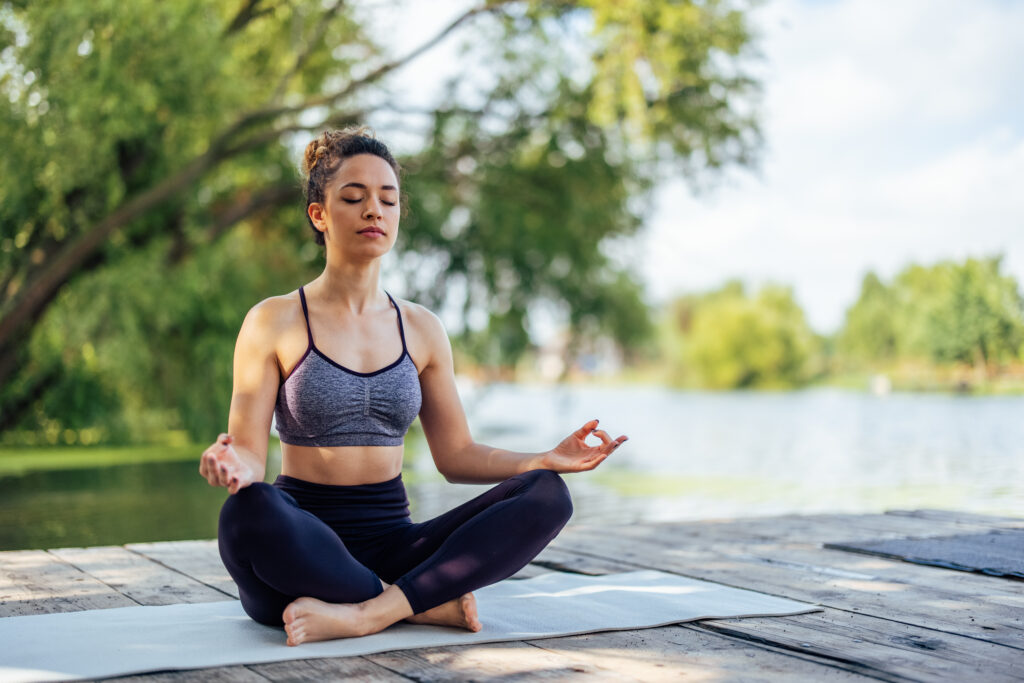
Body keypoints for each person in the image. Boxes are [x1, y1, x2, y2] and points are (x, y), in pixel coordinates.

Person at [198, 127, 627, 647]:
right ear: (319, 215)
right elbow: (247, 452)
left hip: (396, 543)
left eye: (388, 200)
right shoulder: (274, 320)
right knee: (250, 510)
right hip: (299, 554)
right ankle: (415, 604)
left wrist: (543, 458)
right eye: (353, 198)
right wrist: (230, 464)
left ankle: (370, 612)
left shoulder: (421, 328)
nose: (373, 211)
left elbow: (457, 455)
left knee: (547, 496)